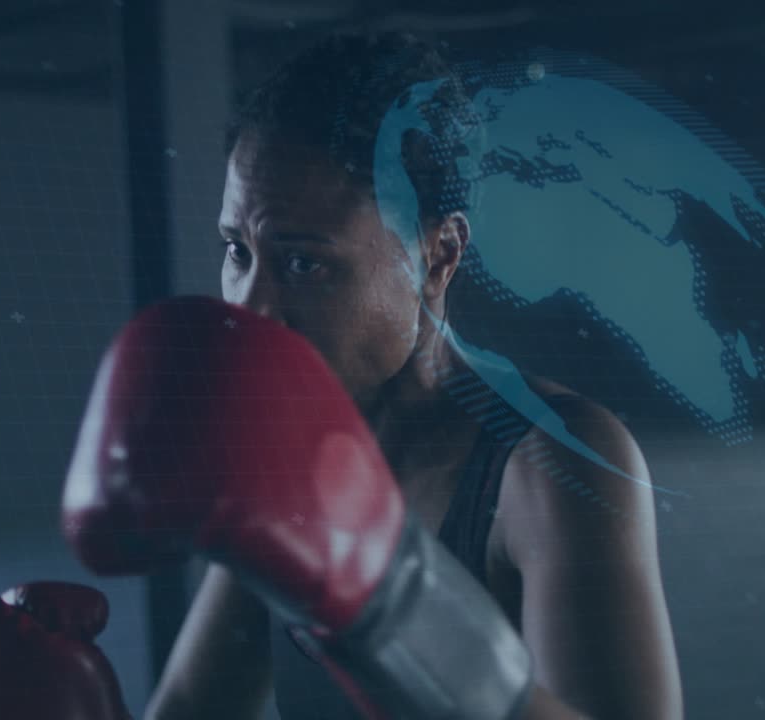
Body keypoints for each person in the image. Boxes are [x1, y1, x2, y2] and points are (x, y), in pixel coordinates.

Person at [133, 32, 683, 720]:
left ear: (439, 252)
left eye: (304, 264)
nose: (251, 308)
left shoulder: (553, 462)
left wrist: (401, 612)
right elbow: (191, 706)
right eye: (237, 251)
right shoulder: (282, 458)